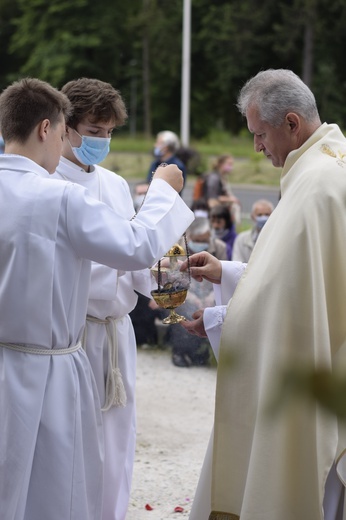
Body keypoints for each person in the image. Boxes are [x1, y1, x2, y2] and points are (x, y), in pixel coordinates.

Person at [0, 77, 194, 520]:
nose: (102, 142)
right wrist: (165, 192)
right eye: (93, 131)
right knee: (65, 470)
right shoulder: (57, 190)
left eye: (109, 133)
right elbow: (133, 243)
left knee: (115, 450)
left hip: (111, 331)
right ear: (58, 128)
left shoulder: (112, 184)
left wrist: (173, 283)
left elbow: (142, 260)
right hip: (68, 340)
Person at [180, 68, 346, 520]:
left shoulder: (317, 186)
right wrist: (227, 272)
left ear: (292, 123)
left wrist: (215, 320)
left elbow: (294, 305)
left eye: (260, 134)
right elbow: (298, 281)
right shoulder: (326, 163)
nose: (256, 146)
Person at [168, 217, 227, 367]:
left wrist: (211, 296)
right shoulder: (177, 249)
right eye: (197, 239)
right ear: (190, 236)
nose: (201, 243)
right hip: (185, 292)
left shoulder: (219, 247)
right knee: (182, 307)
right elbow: (173, 278)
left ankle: (199, 352)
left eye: (204, 239)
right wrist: (192, 297)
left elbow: (225, 274)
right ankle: (179, 351)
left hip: (210, 292)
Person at [202, 153, 241, 224]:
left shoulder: (222, 177)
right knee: (235, 207)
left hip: (218, 206)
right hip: (212, 207)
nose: (231, 167)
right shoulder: (214, 178)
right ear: (221, 164)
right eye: (229, 164)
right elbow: (212, 198)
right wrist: (230, 199)